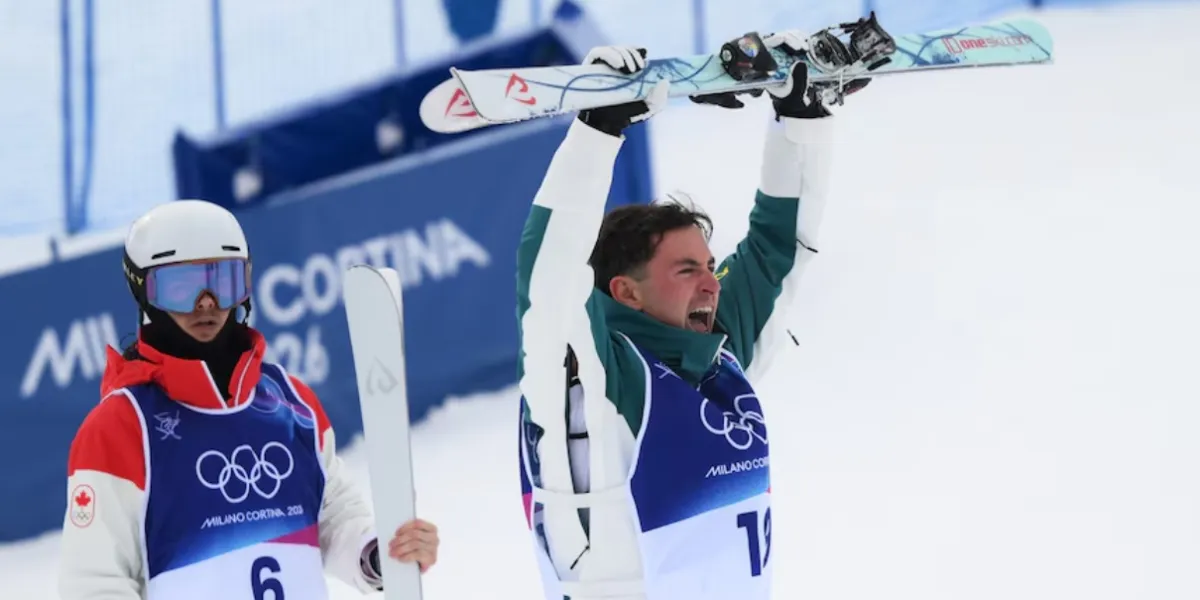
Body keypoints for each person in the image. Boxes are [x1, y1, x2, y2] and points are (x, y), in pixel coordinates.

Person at [515, 37, 869, 600]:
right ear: (626, 292)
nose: (712, 282)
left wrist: (799, 122)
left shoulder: (714, 356)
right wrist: (596, 132)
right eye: (687, 271)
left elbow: (777, 248)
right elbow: (548, 282)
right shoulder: (591, 380)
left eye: (709, 265)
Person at [58, 200, 440, 599]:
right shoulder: (120, 427)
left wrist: (377, 554)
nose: (206, 302)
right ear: (144, 291)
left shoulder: (293, 404)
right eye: (182, 286)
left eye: (223, 281)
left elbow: (333, 516)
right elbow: (94, 583)